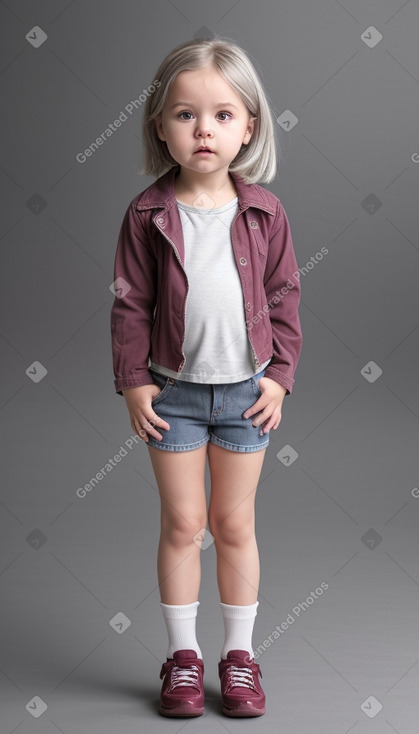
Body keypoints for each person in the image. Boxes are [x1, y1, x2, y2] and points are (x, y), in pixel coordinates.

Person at [110, 35, 303, 718]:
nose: (203, 129)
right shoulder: (145, 214)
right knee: (184, 522)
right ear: (160, 126)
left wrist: (278, 376)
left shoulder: (264, 212)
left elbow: (283, 297)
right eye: (185, 114)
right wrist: (135, 381)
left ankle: (240, 656)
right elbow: (131, 302)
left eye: (222, 114)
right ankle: (183, 658)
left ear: (249, 126)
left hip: (247, 394)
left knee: (233, 521)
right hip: (175, 395)